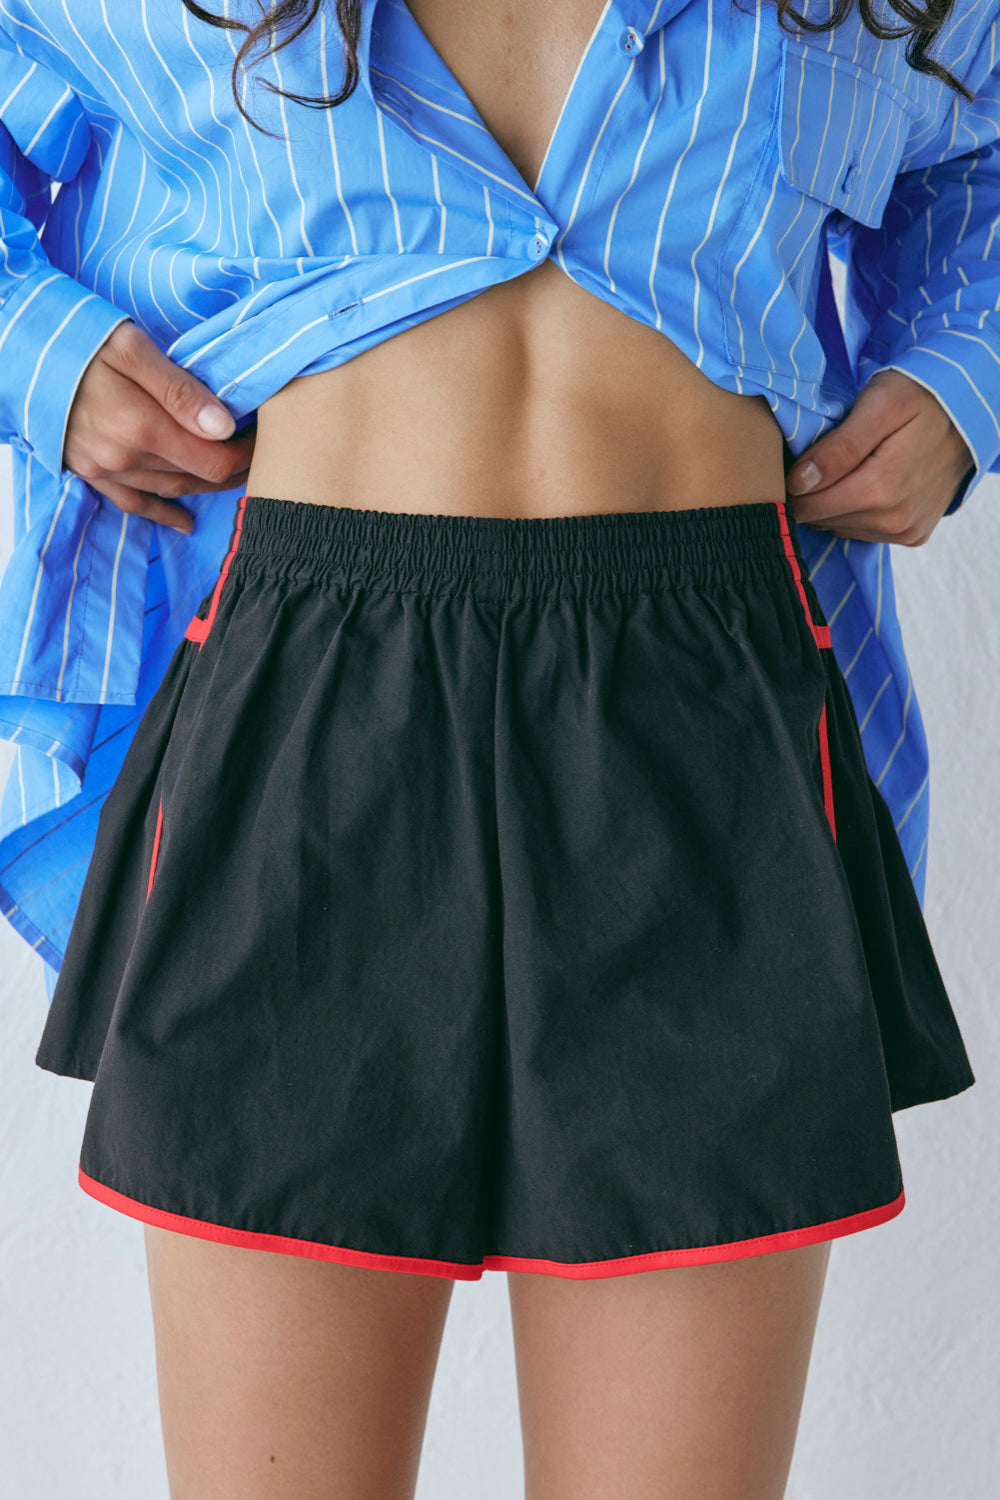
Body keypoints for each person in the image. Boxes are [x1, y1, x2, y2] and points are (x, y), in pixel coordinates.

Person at [0, 0, 991, 1494]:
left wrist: (964, 375)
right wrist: (40, 351)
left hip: (705, 713)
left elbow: (983, 151)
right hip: (305, 708)